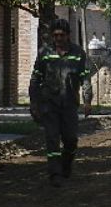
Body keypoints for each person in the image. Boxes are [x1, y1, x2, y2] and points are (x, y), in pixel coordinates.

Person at [29, 18, 93, 187]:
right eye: (55, 35)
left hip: (70, 104)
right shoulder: (45, 53)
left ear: (68, 36)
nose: (58, 39)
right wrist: (34, 103)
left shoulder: (78, 53)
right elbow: (35, 79)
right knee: (52, 138)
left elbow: (85, 78)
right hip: (49, 103)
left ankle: (66, 165)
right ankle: (54, 173)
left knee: (71, 139)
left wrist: (87, 100)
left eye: (61, 35)